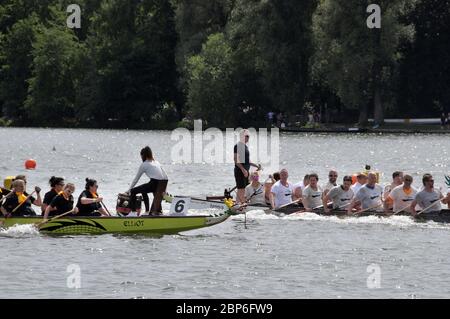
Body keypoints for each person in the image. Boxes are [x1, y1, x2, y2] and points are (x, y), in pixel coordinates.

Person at [128, 146, 169, 215]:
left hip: (154, 184)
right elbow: (166, 177)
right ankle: (148, 211)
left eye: (141, 156)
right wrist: (165, 190)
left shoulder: (144, 164)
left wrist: (129, 189)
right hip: (161, 184)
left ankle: (133, 213)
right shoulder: (157, 162)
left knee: (133, 191)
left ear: (143, 155)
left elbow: (136, 179)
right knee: (143, 189)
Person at [234, 129, 261, 204]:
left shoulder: (245, 147)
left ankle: (243, 203)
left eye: (248, 136)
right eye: (247, 136)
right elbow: (236, 160)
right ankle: (238, 204)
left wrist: (256, 165)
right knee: (241, 188)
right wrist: (243, 170)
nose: (248, 138)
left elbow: (248, 160)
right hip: (240, 171)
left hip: (246, 171)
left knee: (246, 188)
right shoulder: (238, 146)